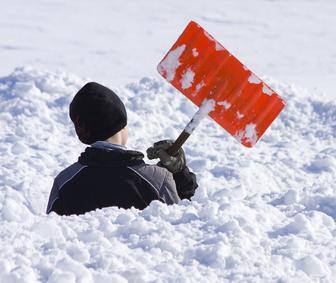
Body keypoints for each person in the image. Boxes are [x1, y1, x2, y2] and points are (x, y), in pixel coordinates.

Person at [46, 82, 198, 215]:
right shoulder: (158, 179)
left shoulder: (64, 182)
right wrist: (178, 174)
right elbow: (181, 227)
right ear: (122, 124)